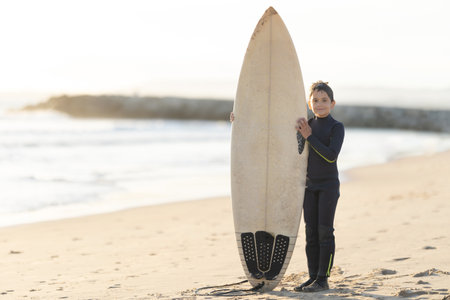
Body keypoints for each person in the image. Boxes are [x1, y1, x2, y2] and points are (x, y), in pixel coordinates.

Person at [294, 81, 345, 292]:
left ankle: (323, 279)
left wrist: (309, 137)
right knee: (311, 233)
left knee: (325, 232)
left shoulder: (336, 127)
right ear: (309, 103)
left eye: (324, 100)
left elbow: (331, 156)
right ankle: (312, 276)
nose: (320, 104)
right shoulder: (307, 125)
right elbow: (290, 147)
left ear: (332, 103)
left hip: (328, 187)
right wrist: (237, 120)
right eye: (315, 100)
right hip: (309, 187)